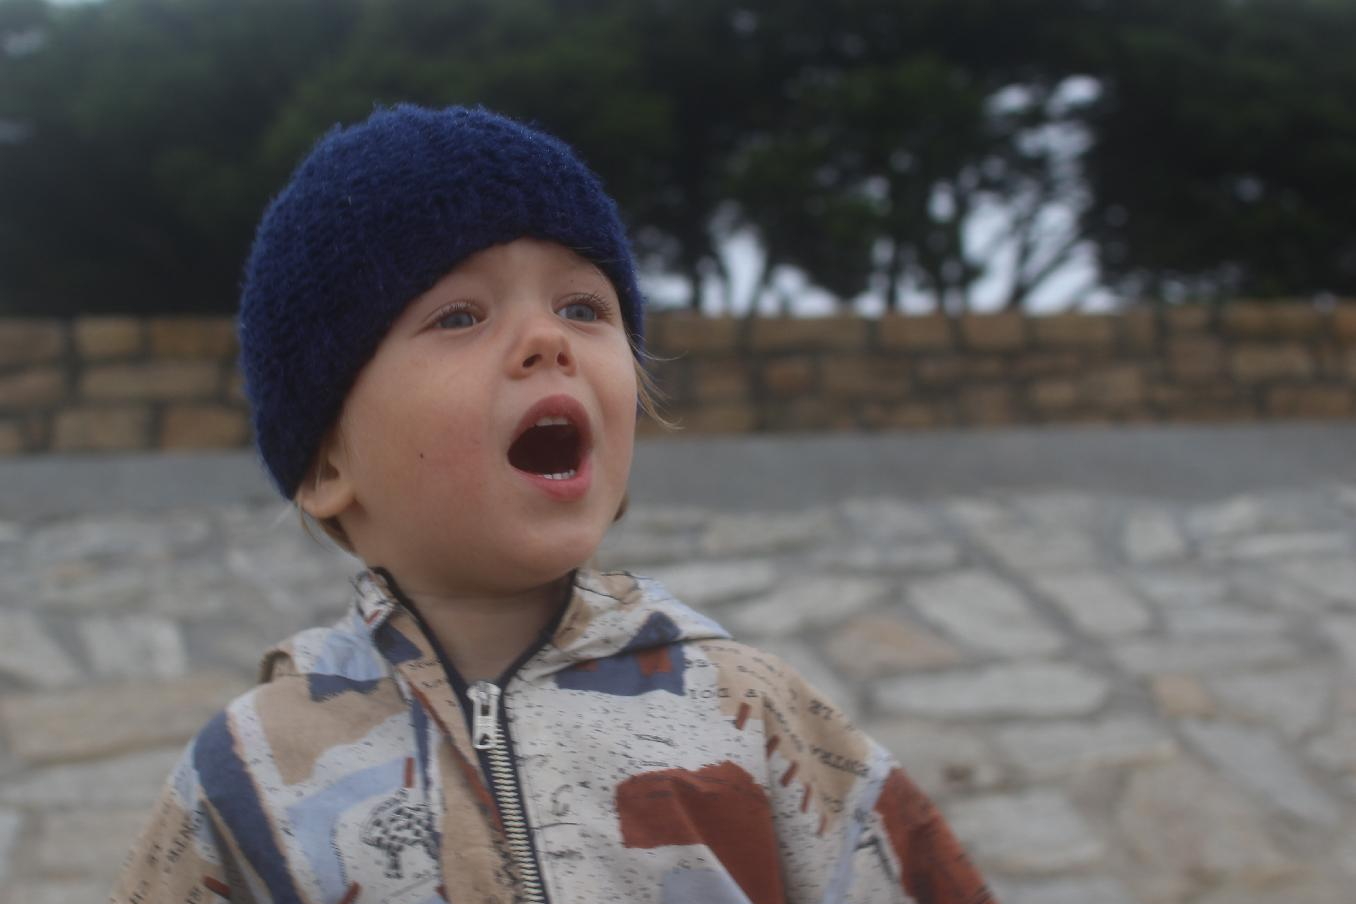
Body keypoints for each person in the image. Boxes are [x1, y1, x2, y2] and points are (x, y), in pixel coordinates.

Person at [110, 104, 994, 904]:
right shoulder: (250, 777)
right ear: (326, 462)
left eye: (583, 306)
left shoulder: (751, 715)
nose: (546, 341)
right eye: (459, 316)